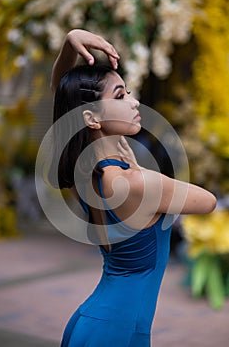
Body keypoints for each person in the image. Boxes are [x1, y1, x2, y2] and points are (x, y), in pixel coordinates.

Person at [49, 29, 217, 347]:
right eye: (120, 95)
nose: (134, 101)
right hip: (118, 332)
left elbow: (64, 98)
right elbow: (207, 201)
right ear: (92, 118)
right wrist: (140, 170)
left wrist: (70, 41)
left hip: (92, 322)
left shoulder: (82, 173)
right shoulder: (135, 182)